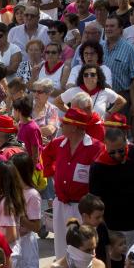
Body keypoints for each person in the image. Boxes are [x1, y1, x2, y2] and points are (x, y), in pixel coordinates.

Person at [41, 107, 105, 259]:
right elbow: (45, 155)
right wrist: (53, 172)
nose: (61, 126)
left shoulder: (96, 147)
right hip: (61, 204)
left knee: (82, 248)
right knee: (61, 248)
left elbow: (102, 176)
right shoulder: (58, 144)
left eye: (65, 124)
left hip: (82, 208)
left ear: (75, 127)